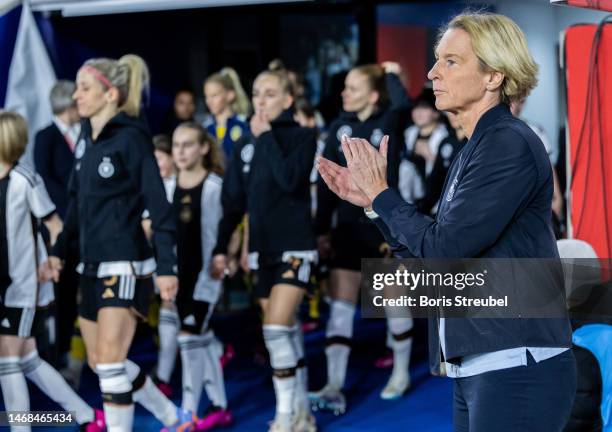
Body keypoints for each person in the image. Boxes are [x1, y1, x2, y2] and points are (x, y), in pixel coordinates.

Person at [318, 12, 576, 432]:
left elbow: (444, 252)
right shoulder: (476, 147)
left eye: (451, 61)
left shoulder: (506, 143)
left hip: (516, 363)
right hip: (482, 360)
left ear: (493, 76)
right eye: (437, 60)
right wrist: (373, 205)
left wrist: (383, 195)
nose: (433, 72)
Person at [49, 55, 184, 432]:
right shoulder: (84, 141)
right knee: (100, 362)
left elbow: (160, 206)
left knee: (109, 364)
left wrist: (167, 267)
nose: (76, 95)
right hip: (90, 264)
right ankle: (173, 418)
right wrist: (59, 253)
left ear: (110, 94)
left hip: (125, 262)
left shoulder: (132, 138)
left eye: (84, 87)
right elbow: (75, 206)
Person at [211, 68, 317, 432]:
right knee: (285, 332)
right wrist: (222, 247)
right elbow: (234, 202)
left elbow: (289, 180)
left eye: (270, 93)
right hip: (260, 250)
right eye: (256, 92)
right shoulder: (244, 143)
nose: (260, 100)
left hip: (296, 246)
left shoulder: (304, 136)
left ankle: (285, 416)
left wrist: (267, 137)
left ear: (288, 100)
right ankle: (302, 414)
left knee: (274, 329)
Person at [310, 62, 411, 412]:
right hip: (346, 230)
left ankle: (400, 373)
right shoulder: (338, 127)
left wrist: (392, 73)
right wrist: (321, 230)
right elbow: (326, 184)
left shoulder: (390, 122)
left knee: (394, 305)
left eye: (352, 88)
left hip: (383, 226)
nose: (344, 94)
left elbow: (402, 104)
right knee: (340, 309)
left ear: (372, 94)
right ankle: (334, 383)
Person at [0, 111, 105, 432]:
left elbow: (55, 224)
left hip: (20, 284)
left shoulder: (25, 180)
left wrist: (53, 260)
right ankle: (86, 415)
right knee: (27, 359)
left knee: (7, 360)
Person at [167, 122, 232, 431]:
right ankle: (220, 406)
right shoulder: (167, 187)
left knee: (189, 338)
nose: (180, 151)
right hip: (175, 280)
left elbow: (229, 227)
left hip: (206, 277)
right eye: (176, 145)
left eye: (187, 144)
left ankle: (188, 414)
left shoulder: (215, 186)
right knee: (201, 340)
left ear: (204, 148)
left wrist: (227, 257)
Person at [33, 80, 83, 375]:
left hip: (81, 226)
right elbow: (45, 178)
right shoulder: (46, 136)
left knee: (77, 288)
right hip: (59, 226)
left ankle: (75, 350)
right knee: (61, 292)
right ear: (67, 105)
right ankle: (59, 350)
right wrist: (67, 209)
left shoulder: (82, 134)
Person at [203, 68, 250, 160]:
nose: (209, 101)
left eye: (214, 95)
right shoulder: (206, 128)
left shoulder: (243, 124)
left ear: (230, 95)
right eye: (206, 96)